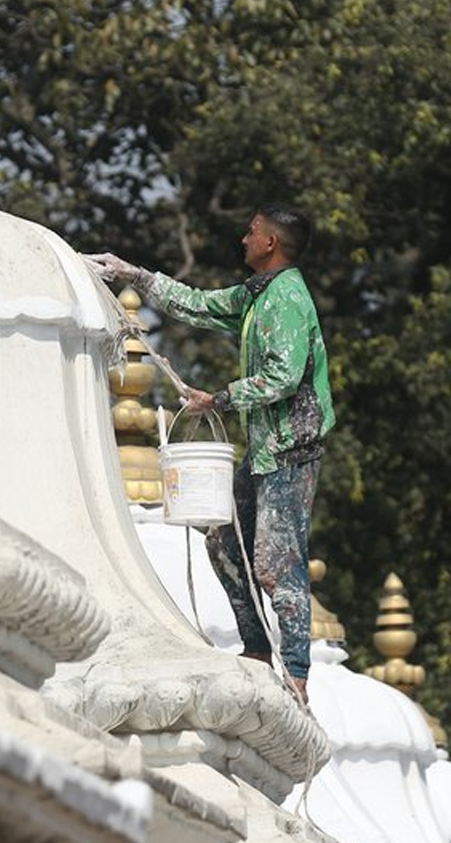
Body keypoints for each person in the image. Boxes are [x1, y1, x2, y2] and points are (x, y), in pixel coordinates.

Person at [88, 204, 334, 706]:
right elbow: (198, 305)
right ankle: (257, 648)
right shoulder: (256, 295)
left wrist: (216, 399)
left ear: (270, 244)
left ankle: (297, 673)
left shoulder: (286, 299)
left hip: (291, 449)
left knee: (275, 561)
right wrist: (135, 275)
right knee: (222, 544)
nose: (244, 239)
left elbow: (283, 378)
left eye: (252, 232)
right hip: (266, 450)